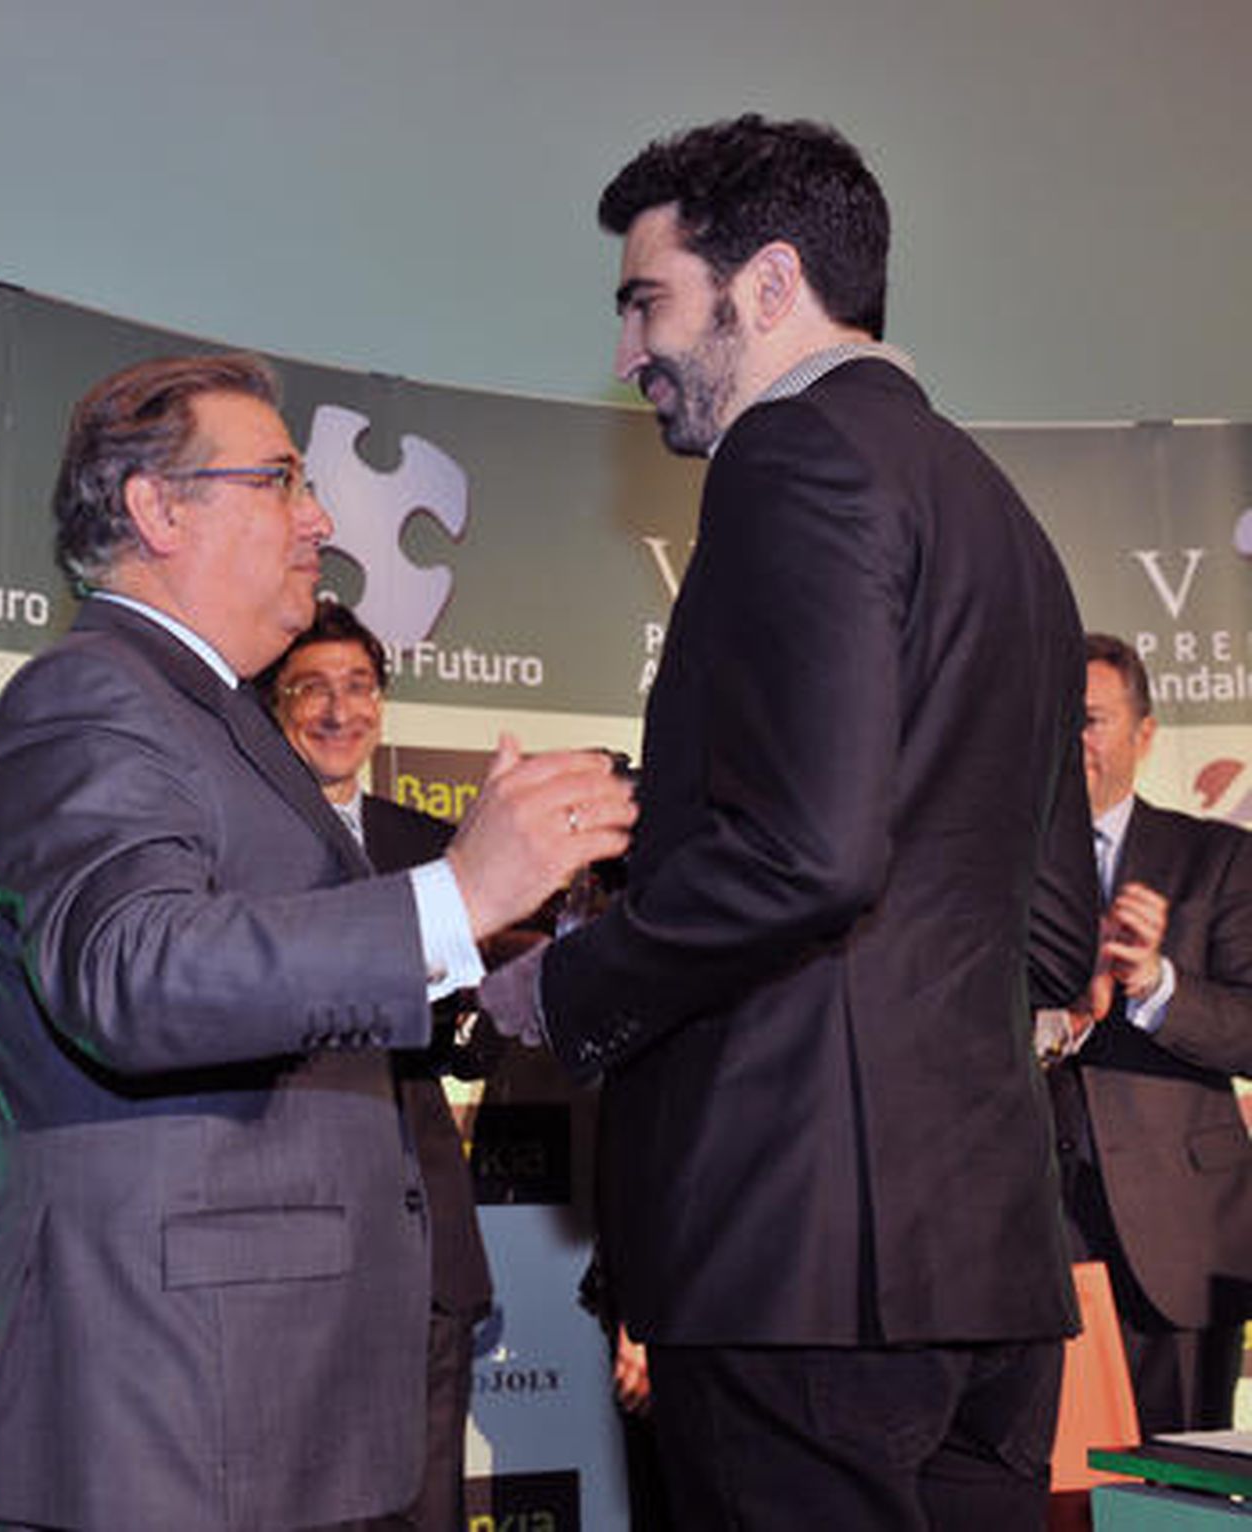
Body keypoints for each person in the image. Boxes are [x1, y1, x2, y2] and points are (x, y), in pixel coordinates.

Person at [482, 116, 1098, 1529]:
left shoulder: (790, 458)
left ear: (765, 286)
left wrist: (566, 977)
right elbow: (1053, 939)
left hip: (798, 1260)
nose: (630, 352)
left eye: (647, 302)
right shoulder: (1008, 519)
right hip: (991, 1270)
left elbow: (810, 856)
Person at [0, 353, 635, 1532]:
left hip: (259, 1393)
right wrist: (449, 894)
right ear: (158, 508)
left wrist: (510, 942)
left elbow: (277, 958)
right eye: (278, 480)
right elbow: (133, 972)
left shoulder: (213, 715)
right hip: (168, 1400)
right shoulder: (91, 695)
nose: (319, 518)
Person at [260, 599, 492, 1532]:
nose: (335, 710)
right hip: (291, 1227)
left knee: (427, 1502)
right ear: (272, 705)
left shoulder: (431, 850)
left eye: (356, 687)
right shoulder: (243, 850)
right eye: (309, 688)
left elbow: (470, 1025)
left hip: (426, 1220)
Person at [1044, 633, 1252, 1434]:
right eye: (1057, 720)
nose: (1074, 741)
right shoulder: (993, 869)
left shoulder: (1218, 860)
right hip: (1030, 1240)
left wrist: (1156, 984)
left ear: (1145, 733)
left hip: (1178, 1241)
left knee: (1175, 1500)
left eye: (1092, 719)